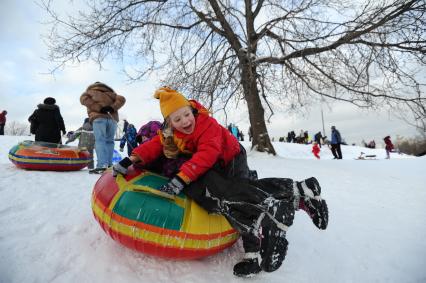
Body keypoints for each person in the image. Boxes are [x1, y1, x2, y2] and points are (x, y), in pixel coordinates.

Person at [112, 86, 329, 277]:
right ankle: (300, 191)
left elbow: (207, 154)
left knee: (236, 196)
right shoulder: (169, 134)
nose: (185, 122)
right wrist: (130, 159)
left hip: (231, 158)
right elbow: (153, 147)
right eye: (177, 120)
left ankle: (259, 242)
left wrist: (180, 179)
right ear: (169, 122)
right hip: (214, 165)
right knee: (235, 194)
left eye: (187, 115)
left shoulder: (206, 124)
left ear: (192, 110)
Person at [80, 82, 126, 174]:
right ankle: (109, 164)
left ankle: (102, 165)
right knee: (110, 141)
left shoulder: (89, 92)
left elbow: (83, 99)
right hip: (112, 119)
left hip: (98, 118)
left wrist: (98, 107)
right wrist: (112, 108)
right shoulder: (112, 94)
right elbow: (122, 99)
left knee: (100, 140)